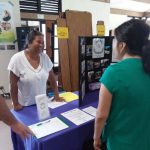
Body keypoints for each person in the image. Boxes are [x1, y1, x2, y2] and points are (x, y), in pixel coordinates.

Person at [93, 19, 150, 150]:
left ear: (122, 45)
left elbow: (101, 115)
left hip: (121, 143)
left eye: (114, 41)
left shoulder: (113, 73)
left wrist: (96, 138)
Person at [8, 30, 63, 111]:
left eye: (43, 42)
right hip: (25, 105)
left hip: (42, 104)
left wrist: (57, 96)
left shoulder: (44, 58)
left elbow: (52, 79)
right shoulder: (17, 59)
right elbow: (13, 84)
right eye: (38, 42)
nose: (41, 45)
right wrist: (15, 104)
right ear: (29, 43)